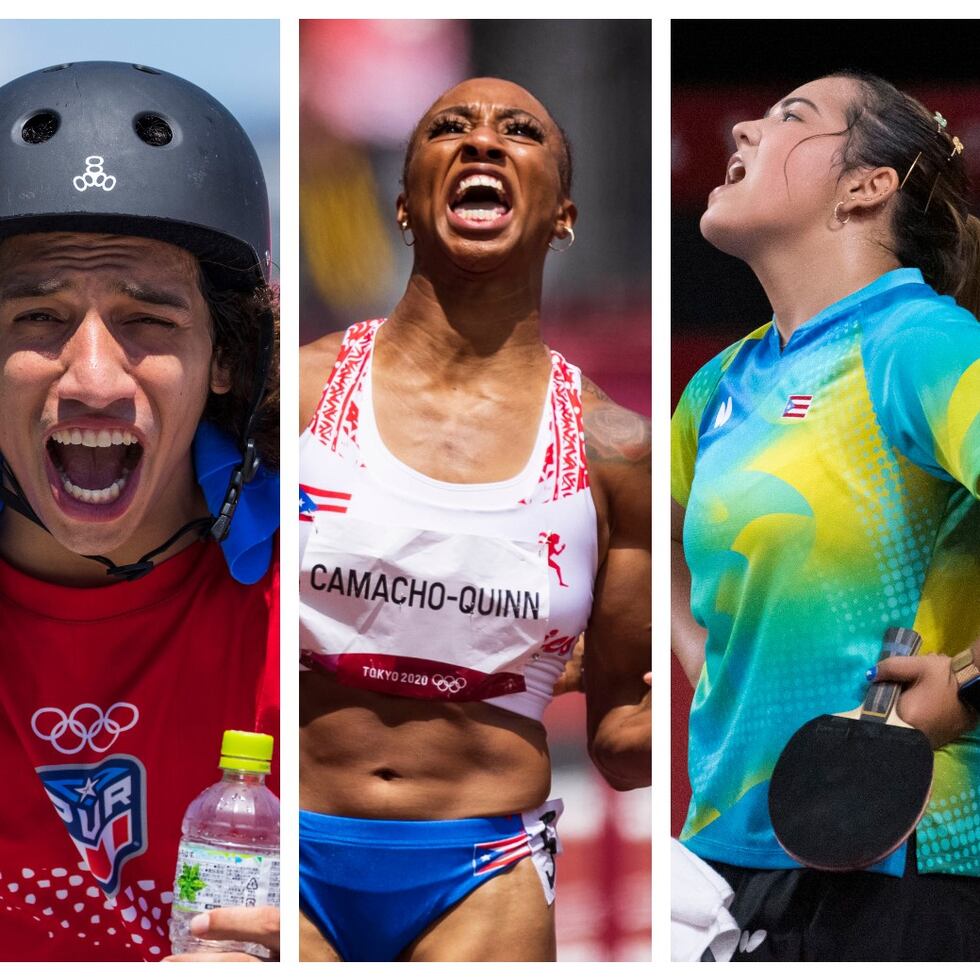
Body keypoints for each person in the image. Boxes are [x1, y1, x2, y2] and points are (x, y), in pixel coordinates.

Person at [298, 76, 651, 962]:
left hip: (480, 875)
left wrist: (733, 678)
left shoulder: (616, 453)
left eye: (519, 131)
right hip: (281, 850)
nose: (483, 141)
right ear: (406, 203)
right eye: (449, 128)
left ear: (563, 213)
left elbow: (620, 745)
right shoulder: (299, 393)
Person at [671, 70, 980, 960]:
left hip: (908, 860)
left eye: (789, 117)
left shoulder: (919, 345)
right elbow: (652, 546)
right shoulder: (719, 384)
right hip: (729, 866)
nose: (741, 129)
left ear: (864, 186)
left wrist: (964, 689)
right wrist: (714, 663)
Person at [0, 61, 280, 962]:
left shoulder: (316, 602)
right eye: (37, 316)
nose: (91, 379)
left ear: (226, 359)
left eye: (148, 320)